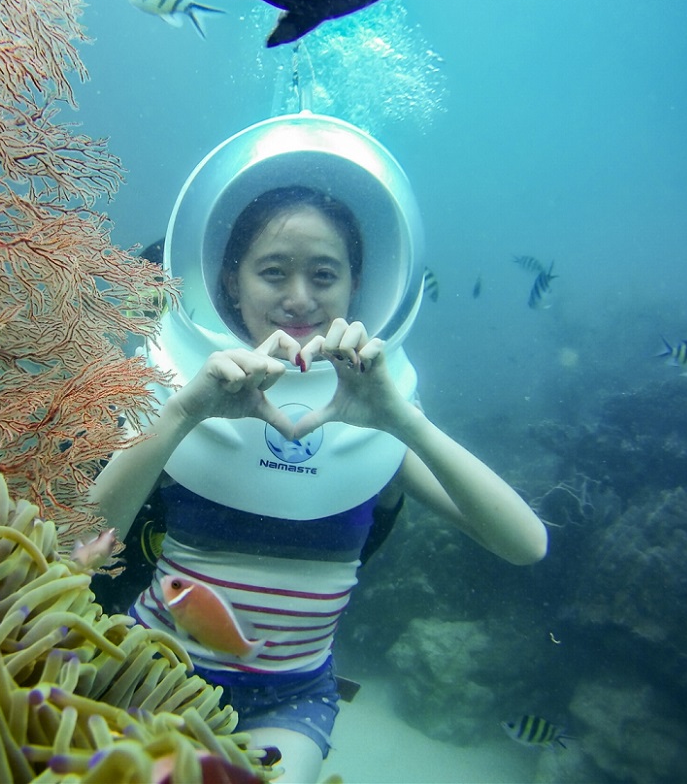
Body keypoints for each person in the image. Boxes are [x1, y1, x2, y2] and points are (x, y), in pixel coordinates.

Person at [88, 119, 548, 783]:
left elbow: (524, 543)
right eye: (273, 271)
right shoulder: (178, 385)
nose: (299, 296)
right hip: (146, 663)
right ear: (232, 280)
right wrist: (184, 410)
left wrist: (399, 420)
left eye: (323, 274)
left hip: (290, 698)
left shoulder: (381, 414)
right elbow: (79, 536)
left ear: (356, 284)